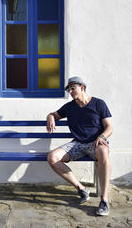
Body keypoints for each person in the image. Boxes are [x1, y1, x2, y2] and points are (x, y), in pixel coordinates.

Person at [46, 76, 113, 216]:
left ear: (82, 87)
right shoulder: (69, 107)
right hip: (77, 143)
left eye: (72, 88)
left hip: (96, 142)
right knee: (52, 158)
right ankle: (81, 188)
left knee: (103, 153)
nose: (70, 91)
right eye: (68, 89)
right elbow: (54, 114)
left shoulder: (98, 104)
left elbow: (109, 127)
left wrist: (102, 137)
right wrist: (50, 117)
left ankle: (104, 200)